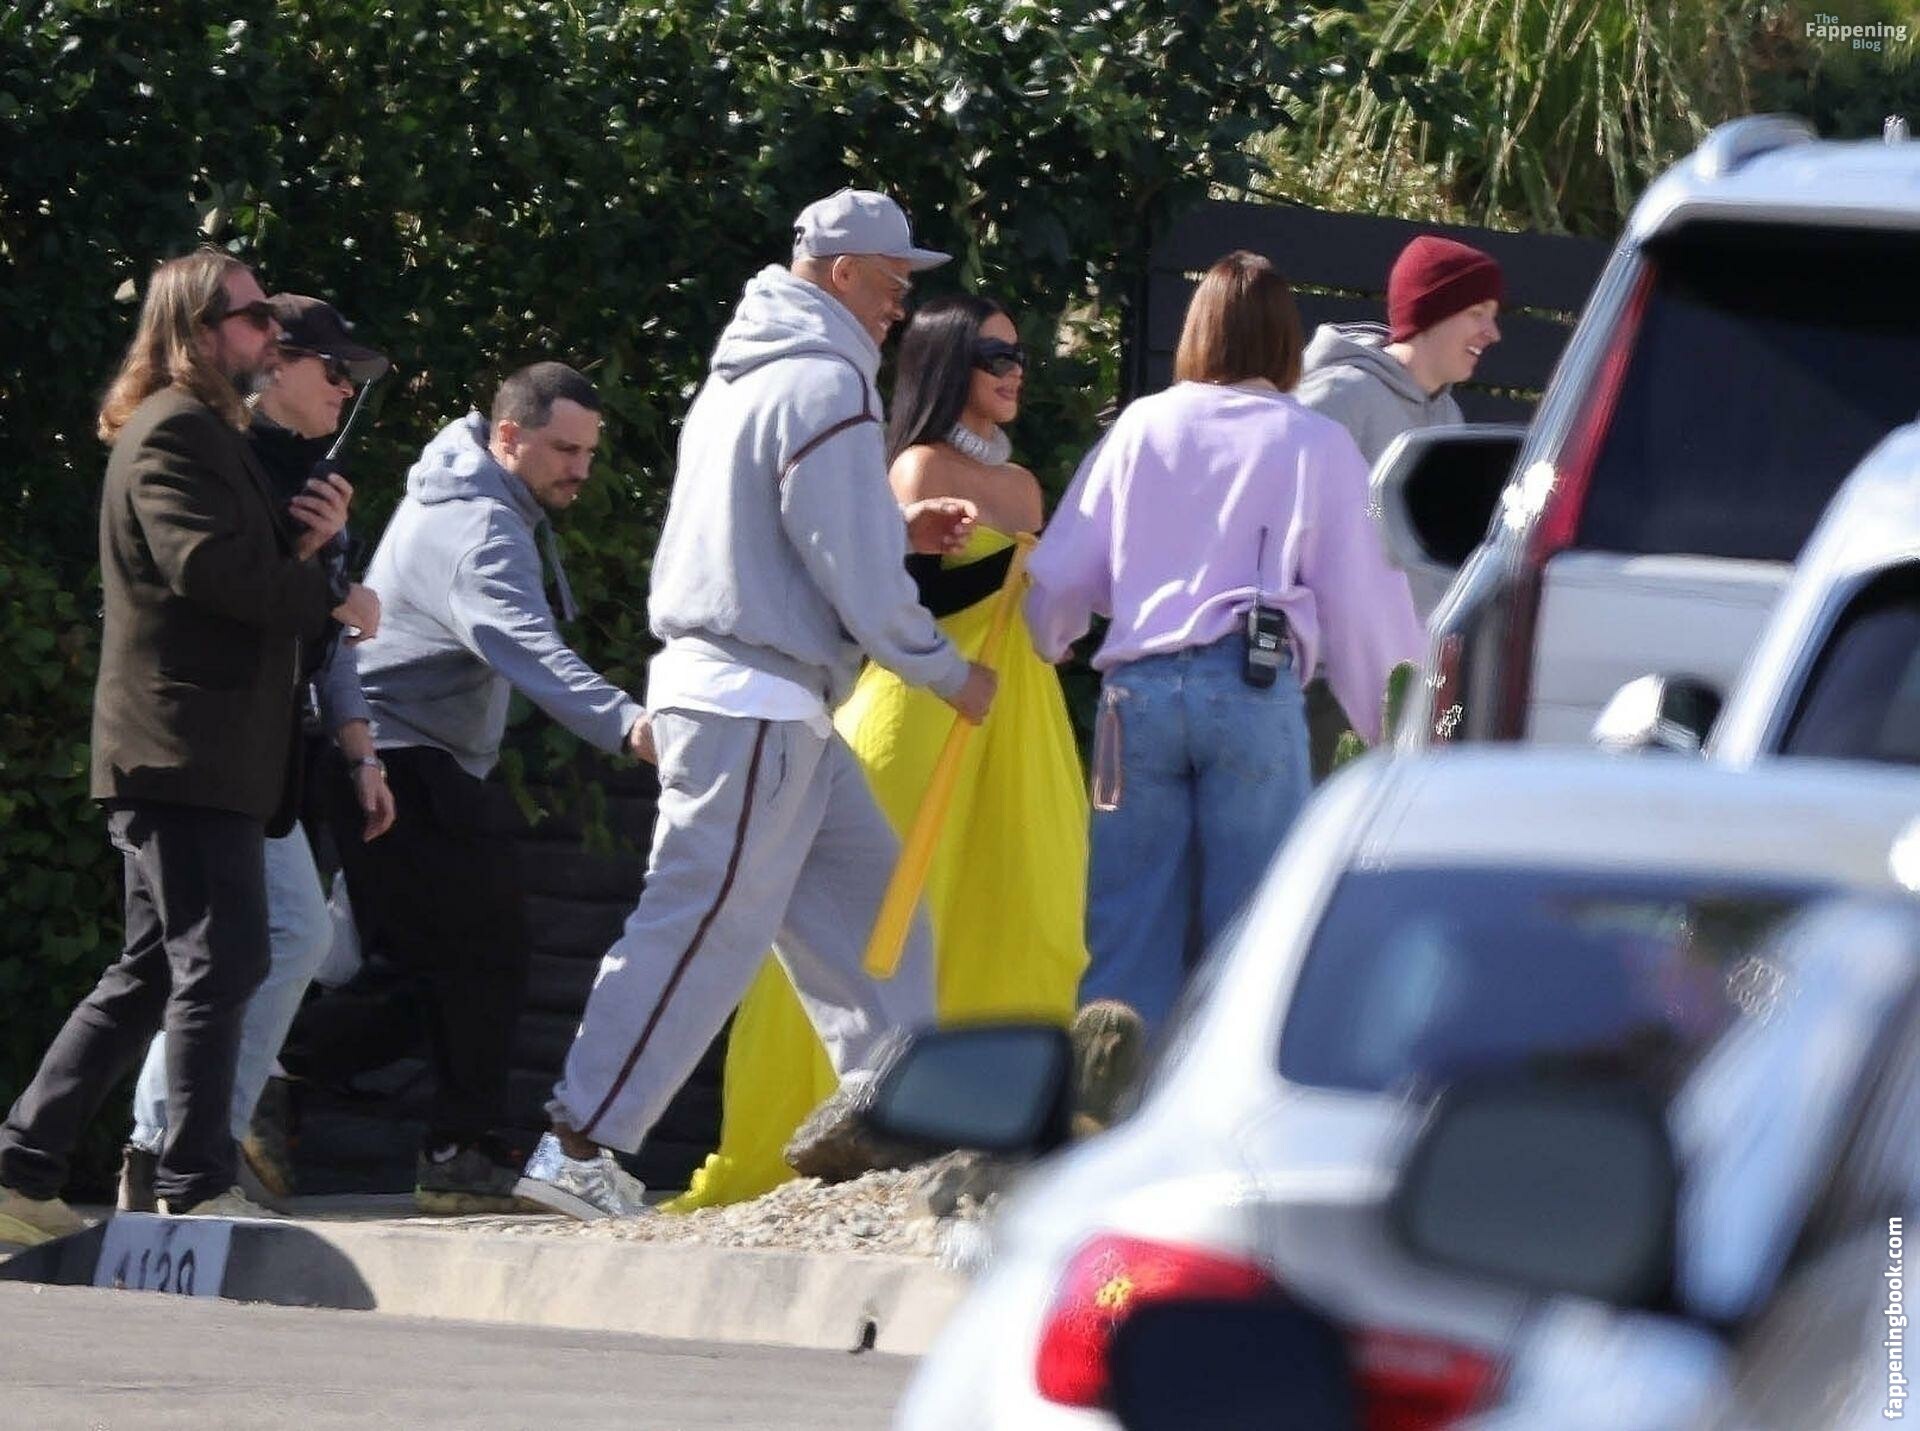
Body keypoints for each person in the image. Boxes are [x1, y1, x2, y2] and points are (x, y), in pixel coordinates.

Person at [516, 189, 996, 1220]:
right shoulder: (828, 379)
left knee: (875, 910)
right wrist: (946, 669)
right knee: (700, 927)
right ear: (839, 271)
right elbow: (848, 566)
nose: (901, 306)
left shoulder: (748, 373)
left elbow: (790, 530)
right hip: (757, 704)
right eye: (891, 280)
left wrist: (897, 531)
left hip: (765, 703)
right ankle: (578, 1146)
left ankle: (902, 1126)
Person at [671, 295, 1087, 1209]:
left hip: (1017, 714)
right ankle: (831, 1121)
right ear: (947, 363)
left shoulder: (1024, 486)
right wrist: (1018, 564)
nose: (1014, 371)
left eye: (1019, 355)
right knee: (883, 915)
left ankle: (993, 1129)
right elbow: (901, 605)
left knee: (1026, 910)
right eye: (993, 355)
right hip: (921, 712)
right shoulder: (914, 466)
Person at [0, 250, 380, 1241]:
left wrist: (304, 553)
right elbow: (210, 572)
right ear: (197, 329)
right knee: (226, 956)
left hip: (198, 750)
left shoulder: (209, 433)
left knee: (155, 970)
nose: (270, 335)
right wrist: (331, 593)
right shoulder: (177, 431)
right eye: (254, 319)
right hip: (182, 748)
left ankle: (22, 1168)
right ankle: (193, 1182)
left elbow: (236, 568)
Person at [1026, 251, 1423, 1032]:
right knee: (1251, 933)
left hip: (1135, 696)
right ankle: (1224, 1088)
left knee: (1125, 925)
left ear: (1197, 330)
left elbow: (1065, 571)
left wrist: (1053, 632)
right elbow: (1365, 598)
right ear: (1285, 340)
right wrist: (1402, 721)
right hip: (1251, 689)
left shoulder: (1141, 426)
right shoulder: (1314, 443)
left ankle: (1111, 1089)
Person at [315, 360, 650, 1214]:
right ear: (508, 435)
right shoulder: (482, 527)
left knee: (437, 965)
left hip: (402, 750)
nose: (580, 468)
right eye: (564, 449)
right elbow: (526, 648)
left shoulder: (472, 495)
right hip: (397, 753)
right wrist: (629, 725)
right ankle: (451, 1147)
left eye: (588, 451)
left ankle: (293, 1076)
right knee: (485, 955)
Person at [119, 294, 395, 1211]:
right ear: (274, 365)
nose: (347, 390)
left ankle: (158, 1152)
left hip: (266, 755)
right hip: (201, 747)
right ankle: (170, 1154)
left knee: (199, 957)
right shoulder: (225, 459)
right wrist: (327, 583)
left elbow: (326, 639)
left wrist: (361, 748)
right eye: (333, 369)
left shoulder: (315, 474)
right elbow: (230, 589)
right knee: (247, 945)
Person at [1294, 234, 1503, 469]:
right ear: (1429, 315)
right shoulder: (1340, 396)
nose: (1493, 334)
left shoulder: (1448, 414)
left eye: (1492, 317)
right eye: (1477, 313)